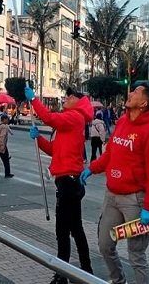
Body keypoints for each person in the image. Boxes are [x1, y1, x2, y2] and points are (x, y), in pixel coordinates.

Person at [80, 83, 149, 284]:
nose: (130, 94)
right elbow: (110, 154)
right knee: (105, 245)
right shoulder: (123, 122)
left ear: (143, 103)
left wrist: (148, 207)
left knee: (136, 255)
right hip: (112, 196)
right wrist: (92, 168)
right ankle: (118, 280)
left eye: (135, 92)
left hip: (135, 200)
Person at [25, 86, 93, 284]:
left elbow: (49, 118)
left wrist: (35, 100)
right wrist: (38, 138)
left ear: (78, 101)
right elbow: (55, 150)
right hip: (67, 181)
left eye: (70, 96)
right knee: (73, 228)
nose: (66, 98)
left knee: (64, 230)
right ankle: (82, 270)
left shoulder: (75, 117)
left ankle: (63, 274)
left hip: (69, 182)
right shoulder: (71, 121)